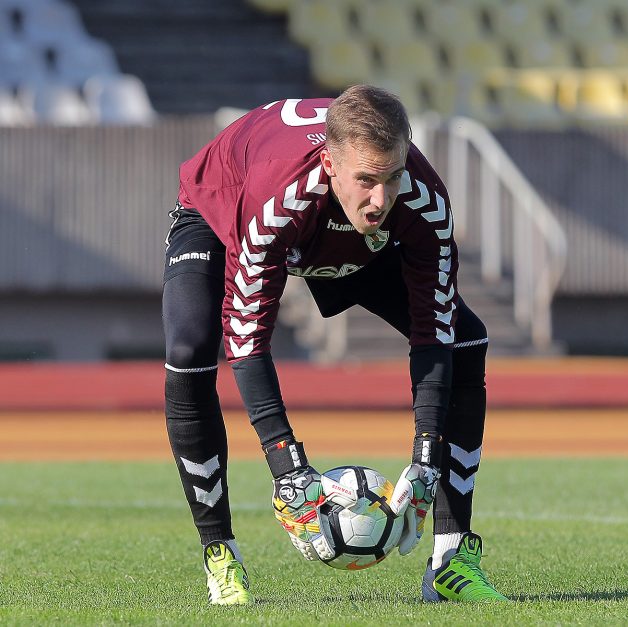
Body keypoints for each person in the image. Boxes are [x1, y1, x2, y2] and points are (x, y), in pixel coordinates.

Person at [162, 85, 507, 605]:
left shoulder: (423, 201)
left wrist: (426, 457)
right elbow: (248, 338)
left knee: (466, 339)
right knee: (189, 350)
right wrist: (289, 470)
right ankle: (221, 554)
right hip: (222, 209)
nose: (380, 198)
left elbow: (433, 329)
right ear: (329, 162)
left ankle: (451, 560)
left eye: (392, 177)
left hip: (345, 242)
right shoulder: (275, 202)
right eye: (366, 180)